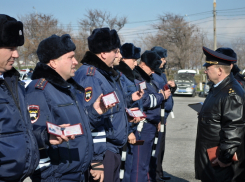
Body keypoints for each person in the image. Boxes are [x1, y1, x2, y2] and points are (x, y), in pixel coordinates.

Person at [25, 34, 109, 182]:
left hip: (78, 174)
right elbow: (35, 139)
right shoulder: (39, 90)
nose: (76, 62)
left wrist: (95, 111)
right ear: (53, 62)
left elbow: (78, 127)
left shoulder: (68, 88)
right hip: (58, 177)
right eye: (70, 57)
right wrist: (47, 178)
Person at [74, 27, 141, 182]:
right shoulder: (91, 76)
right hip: (103, 151)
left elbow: (111, 110)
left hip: (112, 150)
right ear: (103, 53)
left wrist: (125, 119)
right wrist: (96, 159)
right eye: (116, 52)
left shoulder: (106, 75)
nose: (119, 55)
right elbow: (91, 120)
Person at [195, 46, 245, 182]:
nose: (205, 71)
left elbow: (234, 128)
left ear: (220, 70)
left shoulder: (231, 94)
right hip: (211, 159)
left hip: (220, 162)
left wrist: (224, 158)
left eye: (208, 68)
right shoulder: (217, 89)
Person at [0, 14, 40, 182]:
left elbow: (18, 130)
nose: (16, 54)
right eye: (11, 47)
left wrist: (45, 137)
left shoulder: (14, 84)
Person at [130, 50, 171, 182]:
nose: (153, 71)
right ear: (142, 64)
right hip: (143, 127)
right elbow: (145, 100)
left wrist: (159, 119)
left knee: (148, 163)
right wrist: (161, 96)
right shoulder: (138, 78)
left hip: (152, 125)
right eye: (151, 68)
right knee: (140, 166)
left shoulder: (149, 78)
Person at [114, 43, 143, 181]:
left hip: (132, 124)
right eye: (133, 60)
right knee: (123, 170)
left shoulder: (129, 75)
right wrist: (129, 130)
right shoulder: (121, 76)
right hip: (125, 129)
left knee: (129, 166)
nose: (136, 63)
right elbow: (121, 107)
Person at [149, 46, 176, 181]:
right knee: (156, 148)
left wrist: (172, 87)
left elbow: (167, 95)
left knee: (161, 147)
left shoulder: (162, 74)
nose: (164, 61)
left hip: (163, 116)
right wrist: (159, 118)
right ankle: (154, 174)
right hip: (158, 117)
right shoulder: (152, 75)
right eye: (162, 58)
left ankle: (159, 171)